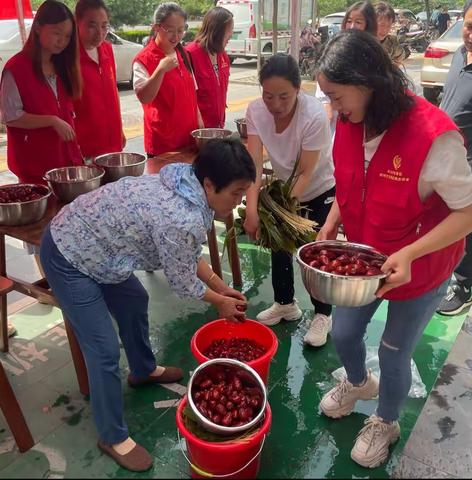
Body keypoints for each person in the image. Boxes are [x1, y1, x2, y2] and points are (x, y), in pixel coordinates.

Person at [316, 29, 472, 468]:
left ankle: (385, 420)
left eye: (335, 96)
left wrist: (410, 253)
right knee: (344, 332)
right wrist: (331, 224)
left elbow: (471, 213)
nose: (332, 108)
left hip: (422, 265)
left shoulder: (433, 136)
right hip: (367, 258)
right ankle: (357, 383)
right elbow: (349, 184)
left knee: (393, 349)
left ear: (367, 82)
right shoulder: (349, 120)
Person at [39, 138, 255, 471]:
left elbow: (183, 254)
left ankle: (142, 370)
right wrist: (219, 303)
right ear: (210, 184)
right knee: (104, 349)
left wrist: (221, 287)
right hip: (69, 252)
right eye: (236, 193)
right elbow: (183, 282)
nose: (240, 201)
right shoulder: (181, 216)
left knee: (135, 298)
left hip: (103, 250)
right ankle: (111, 436)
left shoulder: (187, 181)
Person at [244, 54, 336, 347]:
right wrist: (253, 208)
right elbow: (255, 167)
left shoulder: (313, 116)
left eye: (284, 96)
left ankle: (323, 314)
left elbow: (307, 173)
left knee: (314, 255)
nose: (276, 105)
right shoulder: (255, 111)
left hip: (319, 189)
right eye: (268, 96)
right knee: (279, 247)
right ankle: (286, 304)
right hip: (285, 188)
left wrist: (278, 213)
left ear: (299, 89)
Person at [0, 0, 83, 185]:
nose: (62, 41)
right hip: (35, 171)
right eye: (56, 33)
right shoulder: (16, 68)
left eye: (68, 36)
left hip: (67, 164)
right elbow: (11, 116)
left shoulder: (64, 67)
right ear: (38, 28)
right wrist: (51, 121)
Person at [437, 0, 472, 316]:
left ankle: (463, 286)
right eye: (469, 25)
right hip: (446, 156)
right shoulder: (458, 57)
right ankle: (444, 271)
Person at [133, 2, 203, 157]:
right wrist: (161, 69)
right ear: (156, 27)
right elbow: (144, 97)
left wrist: (200, 126)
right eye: (170, 30)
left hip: (189, 139)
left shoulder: (184, 54)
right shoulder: (143, 59)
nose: (176, 36)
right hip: (164, 145)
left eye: (181, 30)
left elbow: (193, 94)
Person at [74, 0, 125, 161]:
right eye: (92, 25)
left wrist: (120, 129)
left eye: (104, 26)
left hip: (113, 142)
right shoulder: (69, 57)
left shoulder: (107, 49)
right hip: (86, 147)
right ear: (77, 22)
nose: (99, 33)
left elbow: (113, 90)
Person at [315, 1, 378, 132]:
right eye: (349, 21)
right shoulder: (337, 47)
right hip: (338, 117)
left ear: (369, 25)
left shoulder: (373, 53)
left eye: (358, 22)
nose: (352, 26)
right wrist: (326, 102)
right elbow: (325, 75)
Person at [185, 6, 233, 128]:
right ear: (217, 31)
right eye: (229, 30)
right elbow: (186, 97)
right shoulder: (190, 54)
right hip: (198, 130)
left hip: (218, 126)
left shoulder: (222, 55)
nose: (231, 35)